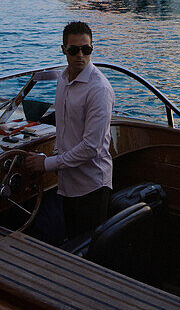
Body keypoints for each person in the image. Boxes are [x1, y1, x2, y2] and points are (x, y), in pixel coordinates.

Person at [24, 21, 115, 239]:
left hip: (91, 187)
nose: (80, 55)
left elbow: (91, 148)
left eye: (87, 49)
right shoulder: (63, 79)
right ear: (64, 49)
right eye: (74, 50)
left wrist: (46, 164)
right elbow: (65, 124)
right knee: (73, 239)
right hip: (68, 183)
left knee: (87, 251)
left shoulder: (99, 90)